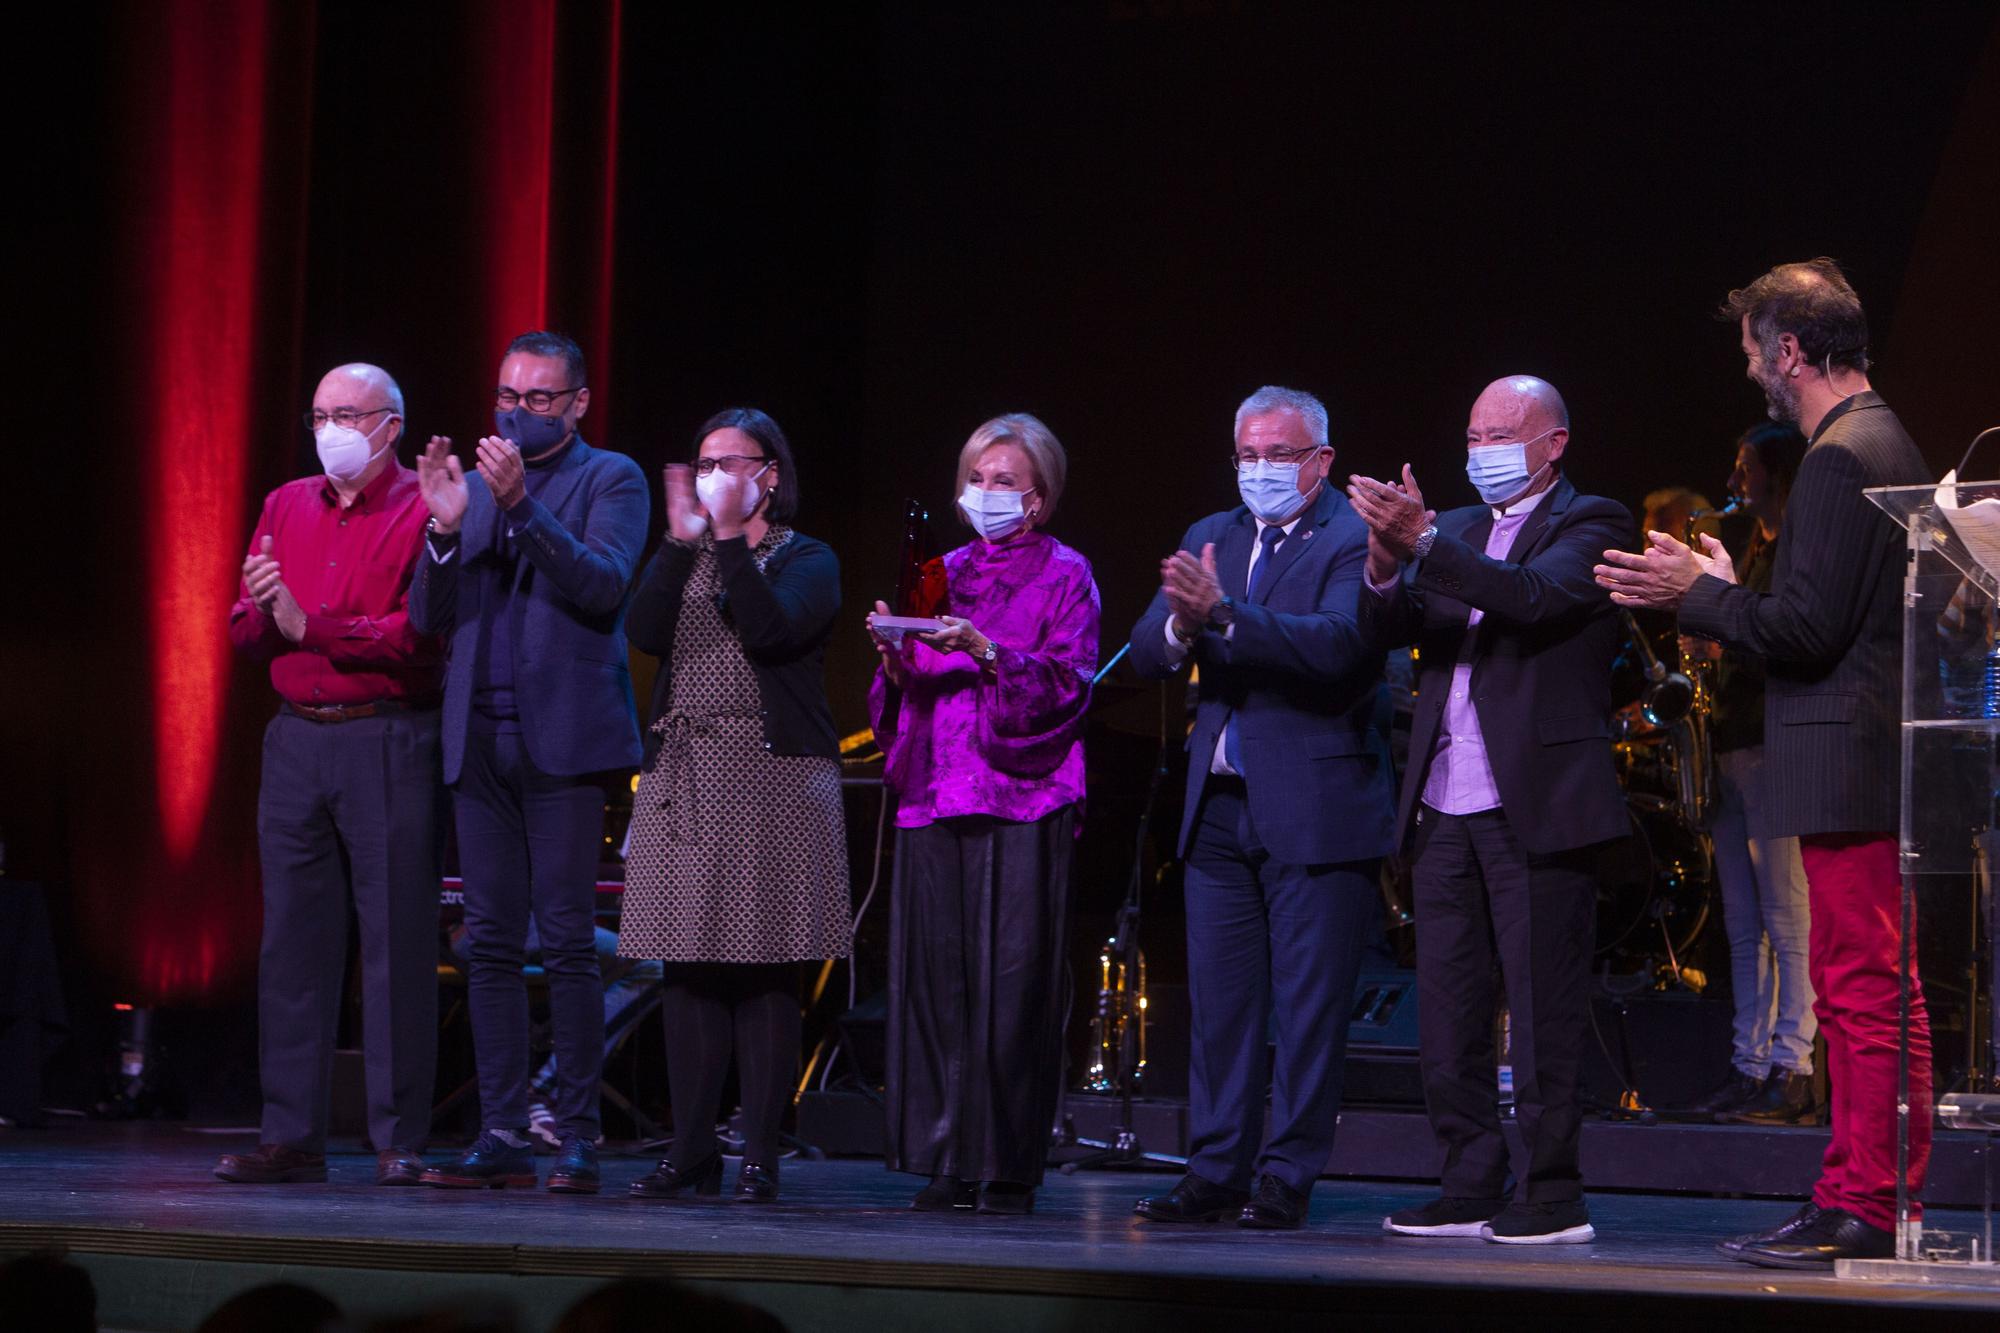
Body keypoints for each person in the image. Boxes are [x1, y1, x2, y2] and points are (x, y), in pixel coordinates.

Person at [1595, 258, 1932, 1267]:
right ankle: (1863, 1192)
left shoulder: (1836, 454)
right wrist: (1725, 583)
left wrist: (1689, 593)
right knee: (1870, 984)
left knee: (1860, 985)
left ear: (1788, 348)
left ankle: (1864, 1202)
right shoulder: (1878, 437)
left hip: (1845, 754)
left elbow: (1804, 627)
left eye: (1752, 352)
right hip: (1862, 752)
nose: (1751, 374)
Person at [1350, 375, 1631, 1246]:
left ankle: (1552, 1194)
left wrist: (1426, 538)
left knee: (1542, 1013)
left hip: (1537, 802)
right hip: (1442, 799)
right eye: (1473, 434)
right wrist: (1387, 558)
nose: (1483, 451)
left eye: (1503, 432)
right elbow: (1380, 627)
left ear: (1555, 443)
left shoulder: (1593, 522)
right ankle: (1469, 1179)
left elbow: (1532, 599)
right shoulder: (1460, 530)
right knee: (1448, 1009)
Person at [1127, 386, 1395, 1232]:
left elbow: (1341, 645)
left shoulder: (1355, 536)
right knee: (1222, 1004)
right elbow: (1145, 649)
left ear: (1321, 461)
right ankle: (1213, 1169)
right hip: (1218, 809)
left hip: (1318, 805)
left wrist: (1225, 619)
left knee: (1309, 1010)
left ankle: (1284, 1176)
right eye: (1246, 454)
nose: (1258, 470)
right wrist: (1179, 627)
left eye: (1277, 455)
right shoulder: (1212, 533)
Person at [411, 331, 649, 1194]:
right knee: (491, 947)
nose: (517, 410)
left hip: (565, 745)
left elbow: (600, 585)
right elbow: (429, 613)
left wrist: (519, 507)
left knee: (569, 944)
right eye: (507, 394)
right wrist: (443, 530)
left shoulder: (610, 478)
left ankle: (578, 1133)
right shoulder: (471, 488)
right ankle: (501, 1131)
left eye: (539, 398)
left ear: (578, 403)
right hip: (477, 741)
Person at [217, 363, 443, 1188]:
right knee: (292, 947)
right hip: (295, 741)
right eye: (318, 413)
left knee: (395, 941)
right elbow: (248, 632)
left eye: (346, 413)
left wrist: (309, 624)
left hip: (384, 735)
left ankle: (397, 1136)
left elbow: (418, 638)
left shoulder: (425, 505)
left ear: (391, 424)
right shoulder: (285, 502)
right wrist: (265, 615)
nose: (330, 428)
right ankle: (290, 1135)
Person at [867, 412, 1099, 1216]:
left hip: (1019, 794)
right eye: (978, 478)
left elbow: (1072, 683)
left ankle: (1003, 1161)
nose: (987, 492)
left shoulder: (1067, 572)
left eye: (1006, 480)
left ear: (1037, 498)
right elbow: (905, 690)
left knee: (1012, 985)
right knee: (939, 984)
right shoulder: (939, 569)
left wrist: (990, 650)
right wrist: (894, 657)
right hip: (935, 790)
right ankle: (944, 1156)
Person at [619, 408, 850, 1205]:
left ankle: (758, 1153)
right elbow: (643, 629)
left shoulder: (808, 557)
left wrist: (722, 543)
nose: (716, 473)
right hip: (687, 772)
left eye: (733, 461)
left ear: (770, 475)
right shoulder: (690, 554)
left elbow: (772, 630)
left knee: (762, 968)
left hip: (773, 775)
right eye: (704, 459)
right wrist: (682, 543)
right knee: (687, 967)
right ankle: (689, 1152)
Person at [1678, 421, 1818, 1125]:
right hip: (1732, 741)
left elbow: (1790, 638)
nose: (1734, 482)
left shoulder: (1794, 548)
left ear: (1775, 473)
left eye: (1745, 468)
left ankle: (1796, 1066)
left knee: (1784, 914)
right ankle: (1749, 1058)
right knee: (1742, 918)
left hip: (1774, 743)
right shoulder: (1753, 547)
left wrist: (1722, 613)